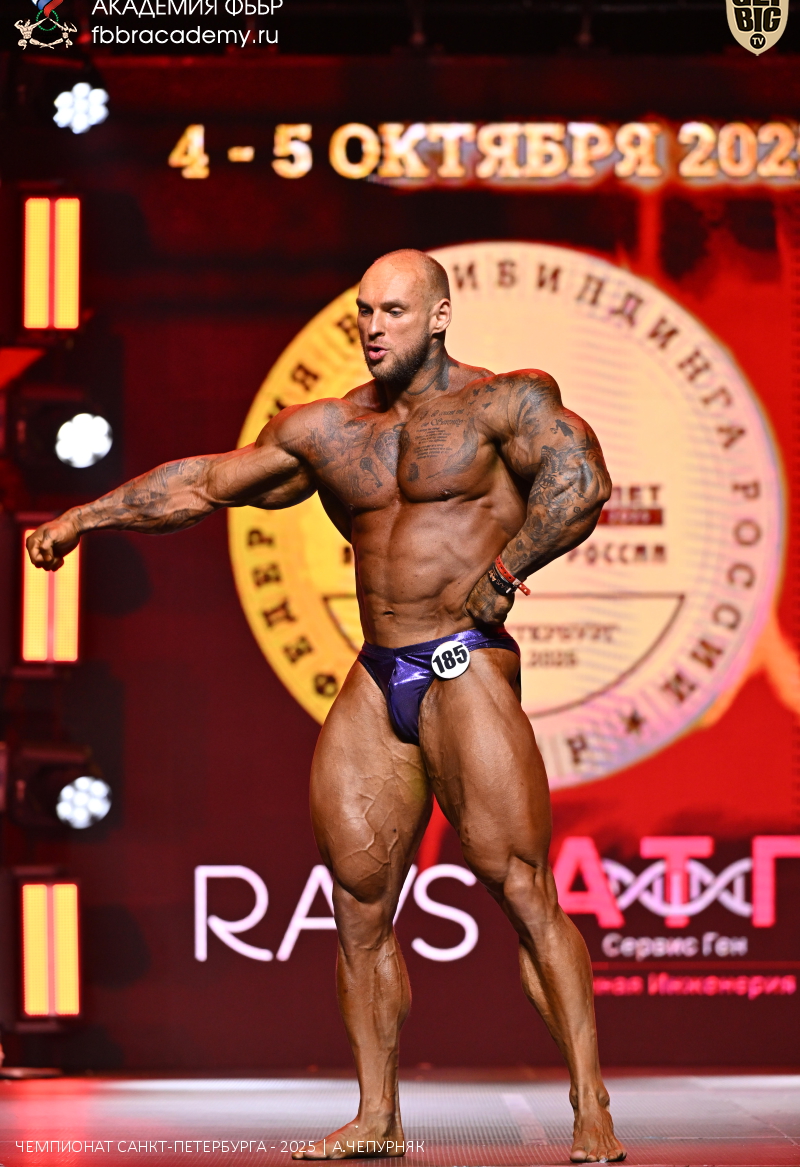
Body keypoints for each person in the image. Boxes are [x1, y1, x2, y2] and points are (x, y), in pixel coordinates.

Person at [27, 249, 624, 1164]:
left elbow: (582, 483)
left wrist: (506, 572)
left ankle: (590, 1107)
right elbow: (202, 483)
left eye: (394, 311)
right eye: (364, 312)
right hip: (379, 670)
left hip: (465, 661)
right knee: (357, 906)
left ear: (439, 316)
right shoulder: (330, 430)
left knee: (520, 888)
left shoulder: (505, 402)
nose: (374, 327)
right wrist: (85, 518)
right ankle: (377, 1114)